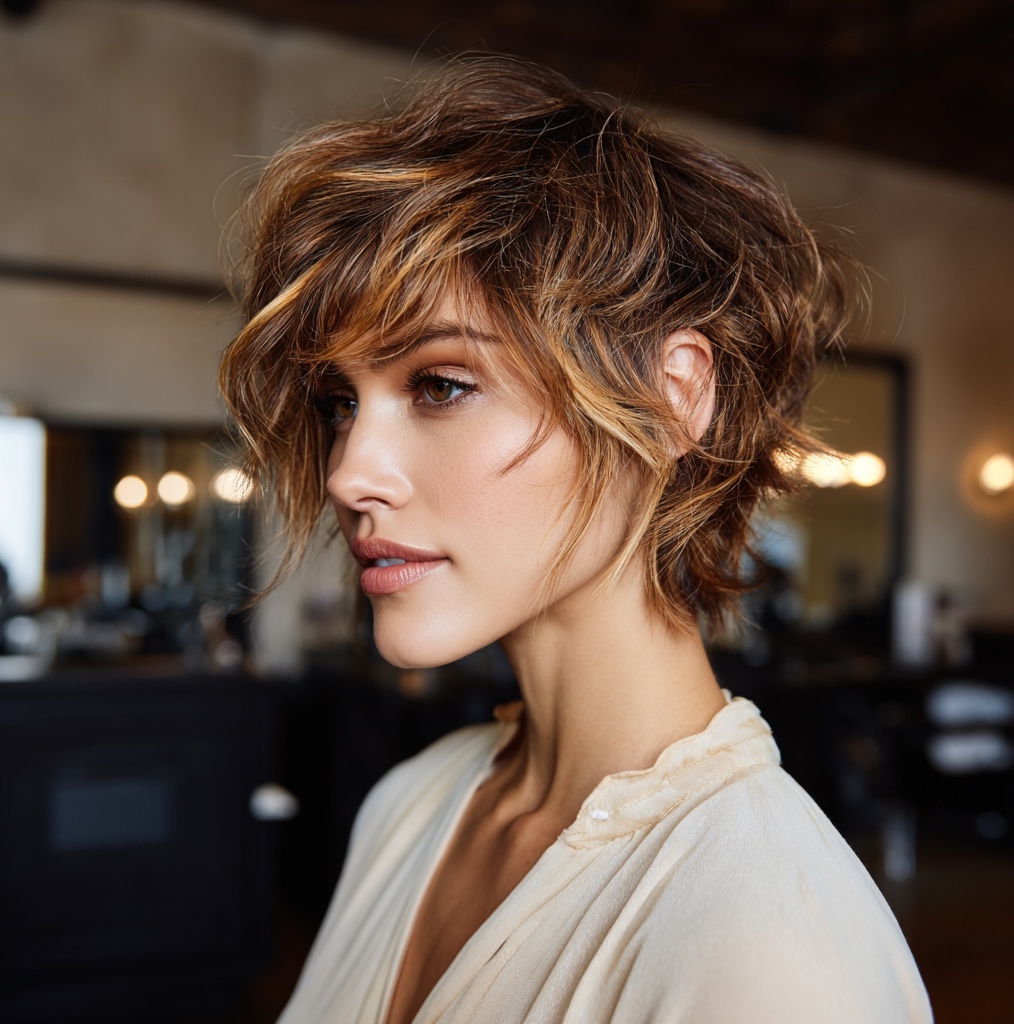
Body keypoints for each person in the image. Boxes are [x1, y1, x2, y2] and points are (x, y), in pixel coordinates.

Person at [221, 55, 932, 1024]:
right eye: (340, 401)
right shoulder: (411, 806)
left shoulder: (765, 949)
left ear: (672, 395)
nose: (349, 472)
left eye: (440, 384)